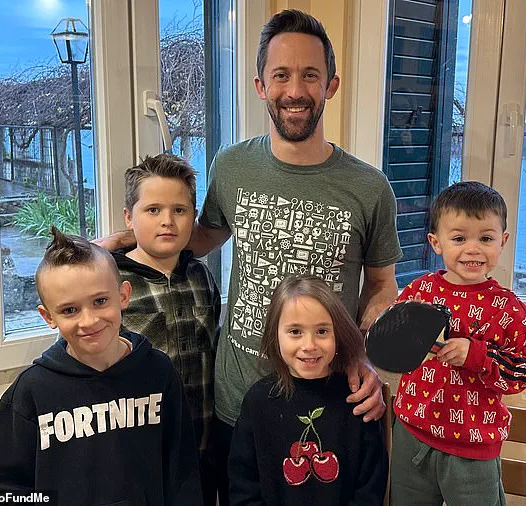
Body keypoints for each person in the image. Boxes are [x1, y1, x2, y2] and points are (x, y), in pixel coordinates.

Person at [98, 10, 402, 503]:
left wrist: (363, 354)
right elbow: (198, 239)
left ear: (331, 84)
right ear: (261, 86)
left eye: (310, 75)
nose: (295, 90)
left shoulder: (370, 188)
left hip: (327, 400)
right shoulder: (232, 164)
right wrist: (118, 245)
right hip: (236, 401)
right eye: (281, 75)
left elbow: (383, 286)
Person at [0, 228, 203, 505]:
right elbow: (4, 489)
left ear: (123, 296)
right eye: (69, 310)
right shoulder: (30, 393)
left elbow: (182, 471)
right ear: (48, 316)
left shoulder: (159, 372)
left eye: (100, 301)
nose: (89, 321)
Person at [390, 181, 526, 505]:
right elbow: (390, 339)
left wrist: (477, 355)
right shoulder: (418, 291)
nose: (473, 249)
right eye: (459, 238)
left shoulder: (507, 308)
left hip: (473, 450)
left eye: (485, 238)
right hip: (411, 436)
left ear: (502, 242)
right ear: (436, 243)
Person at [112, 154, 220, 505]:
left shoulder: (201, 276)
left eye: (179, 210)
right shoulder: (110, 285)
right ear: (129, 217)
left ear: (193, 217)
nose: (167, 221)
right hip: (138, 455)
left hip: (202, 450)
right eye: (153, 210)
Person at [228, 276, 388, 505]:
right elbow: (243, 486)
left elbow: (371, 486)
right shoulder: (257, 402)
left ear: (337, 334)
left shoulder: (358, 398)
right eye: (295, 331)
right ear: (275, 335)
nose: (309, 345)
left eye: (322, 331)